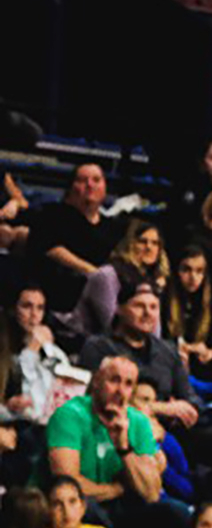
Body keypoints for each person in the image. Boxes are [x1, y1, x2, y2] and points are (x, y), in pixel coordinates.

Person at [47, 357, 187, 528]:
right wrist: (119, 488)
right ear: (96, 381)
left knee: (177, 514)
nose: (120, 390)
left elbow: (152, 493)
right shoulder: (69, 415)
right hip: (81, 508)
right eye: (114, 380)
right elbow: (67, 485)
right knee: (88, 512)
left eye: (128, 384)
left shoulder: (138, 422)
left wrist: (124, 448)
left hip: (121, 509)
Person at [78, 280, 200, 428]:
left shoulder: (168, 350)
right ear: (119, 309)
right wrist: (159, 408)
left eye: (153, 307)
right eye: (139, 306)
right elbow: (93, 402)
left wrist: (186, 409)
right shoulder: (98, 347)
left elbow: (191, 400)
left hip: (168, 429)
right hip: (116, 428)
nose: (147, 313)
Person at [28, 165, 118, 315]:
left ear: (105, 187)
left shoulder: (113, 227)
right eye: (82, 180)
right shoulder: (51, 213)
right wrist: (94, 273)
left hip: (99, 305)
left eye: (96, 180)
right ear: (70, 188)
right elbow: (48, 247)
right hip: (57, 303)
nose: (90, 185)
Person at [67, 220, 168, 339]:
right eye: (142, 241)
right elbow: (110, 326)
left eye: (155, 243)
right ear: (129, 244)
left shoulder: (152, 281)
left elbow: (154, 332)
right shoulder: (108, 275)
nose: (149, 247)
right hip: (88, 344)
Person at [4, 286, 72, 423]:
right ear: (13, 309)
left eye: (40, 308)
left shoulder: (52, 351)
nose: (34, 314)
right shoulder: (5, 349)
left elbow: (61, 397)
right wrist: (8, 406)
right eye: (27, 306)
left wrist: (48, 350)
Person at [131, 378, 195, 505]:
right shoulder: (120, 433)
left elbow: (188, 490)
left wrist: (165, 470)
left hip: (169, 503)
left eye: (154, 402)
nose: (151, 408)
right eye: (144, 400)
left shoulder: (167, 439)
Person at [162, 247, 212, 376]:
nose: (193, 277)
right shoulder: (164, 298)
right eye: (186, 270)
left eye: (199, 271)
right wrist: (188, 348)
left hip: (201, 366)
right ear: (177, 271)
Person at [38, 478, 121, 528]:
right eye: (57, 504)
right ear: (48, 510)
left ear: (83, 506)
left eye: (72, 501)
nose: (66, 511)